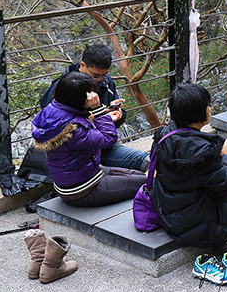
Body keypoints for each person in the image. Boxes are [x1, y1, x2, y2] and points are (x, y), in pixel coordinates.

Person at [151, 84, 227, 252]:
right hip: (199, 224)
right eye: (207, 106)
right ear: (200, 113)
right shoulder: (204, 152)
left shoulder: (163, 137)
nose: (210, 109)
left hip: (169, 214)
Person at [32, 72, 147, 207]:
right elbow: (108, 139)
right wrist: (98, 111)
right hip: (83, 190)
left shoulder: (52, 110)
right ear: (80, 100)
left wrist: (102, 117)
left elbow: (80, 125)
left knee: (139, 174)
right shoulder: (71, 130)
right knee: (146, 182)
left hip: (77, 177)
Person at [40, 44, 149, 171]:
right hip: (75, 156)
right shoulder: (63, 88)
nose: (99, 79)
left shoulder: (105, 82)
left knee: (148, 160)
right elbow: (55, 130)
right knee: (129, 178)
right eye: (95, 76)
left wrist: (115, 115)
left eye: (104, 75)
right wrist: (97, 117)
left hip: (102, 147)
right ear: (82, 65)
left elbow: (110, 129)